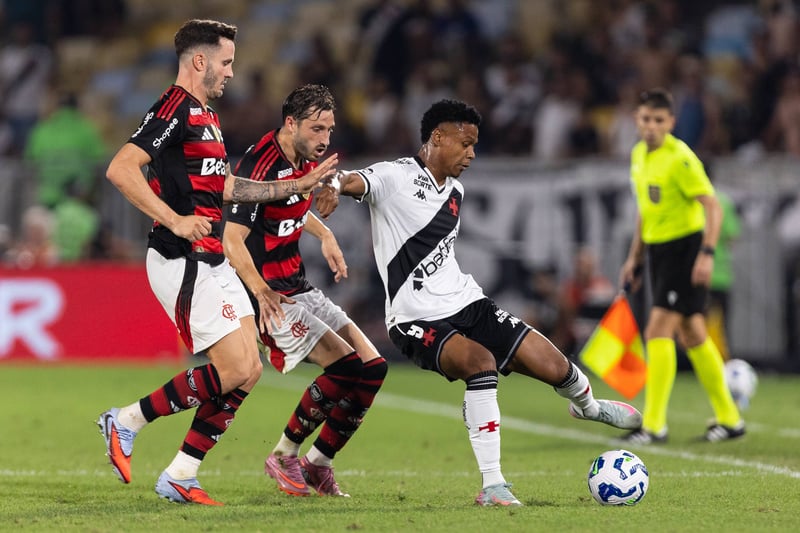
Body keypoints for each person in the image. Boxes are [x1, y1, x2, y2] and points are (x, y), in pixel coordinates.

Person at [322, 99, 642, 507]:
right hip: (414, 317)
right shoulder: (396, 175)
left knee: (555, 366)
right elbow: (351, 179)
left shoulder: (455, 191)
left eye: (474, 145)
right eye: (465, 143)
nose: (471, 153)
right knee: (480, 363)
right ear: (438, 137)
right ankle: (493, 485)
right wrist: (332, 187)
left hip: (469, 302)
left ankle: (588, 406)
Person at [96, 19, 336, 506]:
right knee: (232, 368)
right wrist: (175, 219)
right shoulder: (172, 107)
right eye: (226, 62)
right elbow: (121, 168)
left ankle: (181, 474)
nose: (231, 71)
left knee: (249, 370)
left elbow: (224, 187)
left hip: (212, 258)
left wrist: (294, 186)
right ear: (200, 60)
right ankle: (126, 420)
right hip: (180, 256)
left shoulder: (206, 114)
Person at [222, 84, 387, 498]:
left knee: (373, 367)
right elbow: (232, 240)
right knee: (345, 366)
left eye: (329, 129)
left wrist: (324, 233)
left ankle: (318, 463)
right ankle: (284, 454)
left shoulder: (306, 160)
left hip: (297, 283)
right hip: (269, 294)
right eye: (316, 129)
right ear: (291, 123)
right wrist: (260, 291)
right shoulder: (261, 164)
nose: (324, 139)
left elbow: (292, 207)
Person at [617, 88, 744, 445]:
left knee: (657, 330)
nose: (651, 126)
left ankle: (654, 425)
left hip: (685, 250)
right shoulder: (639, 155)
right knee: (693, 333)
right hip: (658, 251)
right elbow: (646, 210)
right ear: (637, 119)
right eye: (646, 119)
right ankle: (730, 419)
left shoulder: (681, 158)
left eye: (659, 120)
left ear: (671, 122)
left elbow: (712, 207)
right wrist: (635, 257)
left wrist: (707, 253)